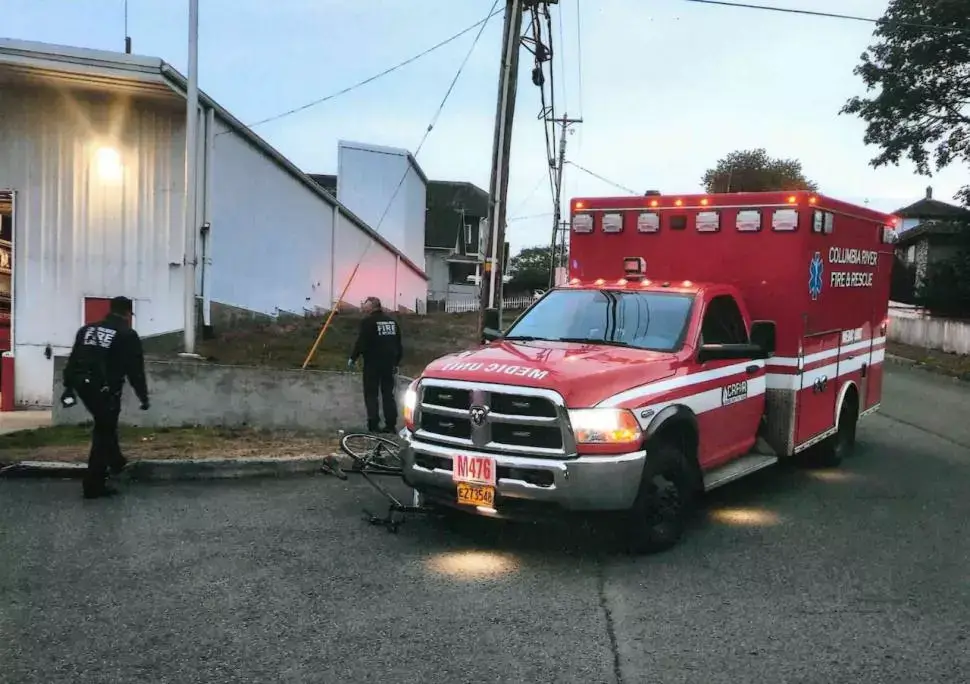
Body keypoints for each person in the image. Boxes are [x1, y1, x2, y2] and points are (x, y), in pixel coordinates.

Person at [61, 296, 149, 499]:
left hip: (82, 385)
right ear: (128, 313)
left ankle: (116, 461)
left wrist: (68, 387)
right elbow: (135, 370)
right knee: (103, 431)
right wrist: (143, 397)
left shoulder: (87, 330)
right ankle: (94, 484)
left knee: (105, 424)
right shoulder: (127, 334)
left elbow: (74, 359)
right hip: (105, 389)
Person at [348, 296, 403, 433]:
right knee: (388, 394)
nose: (363, 306)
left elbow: (362, 342)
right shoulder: (392, 322)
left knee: (371, 394)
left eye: (365, 304)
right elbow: (398, 344)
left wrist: (353, 358)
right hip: (389, 364)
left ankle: (373, 424)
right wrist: (396, 362)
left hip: (372, 364)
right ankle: (390, 425)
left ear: (372, 306)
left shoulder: (368, 322)